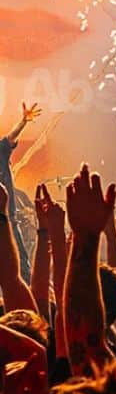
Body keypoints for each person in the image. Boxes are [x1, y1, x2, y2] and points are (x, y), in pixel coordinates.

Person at [0, 100, 41, 279]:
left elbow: (10, 138)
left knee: (22, 271)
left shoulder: (0, 150)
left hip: (9, 221)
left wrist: (24, 121)